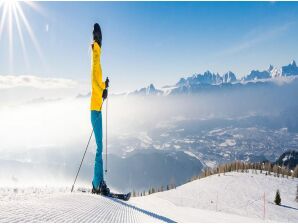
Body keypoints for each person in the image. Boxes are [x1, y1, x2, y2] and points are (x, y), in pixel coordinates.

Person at [90, 23, 109, 195]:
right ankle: (97, 184)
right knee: (99, 147)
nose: (101, 41)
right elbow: (94, 83)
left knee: (100, 146)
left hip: (97, 109)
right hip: (95, 110)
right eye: (99, 37)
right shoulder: (96, 56)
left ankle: (98, 182)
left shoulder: (97, 55)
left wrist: (105, 86)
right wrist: (102, 89)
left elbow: (98, 82)